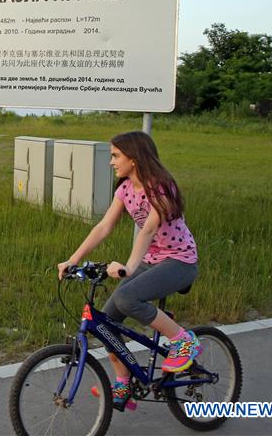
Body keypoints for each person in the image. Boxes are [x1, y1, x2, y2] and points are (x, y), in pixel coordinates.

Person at [57, 131, 201, 411]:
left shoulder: (161, 186)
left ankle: (184, 341)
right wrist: (72, 260)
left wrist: (130, 266)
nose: (112, 161)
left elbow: (148, 229)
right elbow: (104, 227)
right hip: (151, 260)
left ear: (134, 159)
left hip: (179, 261)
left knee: (127, 298)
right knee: (107, 322)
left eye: (116, 156)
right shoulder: (124, 190)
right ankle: (123, 383)